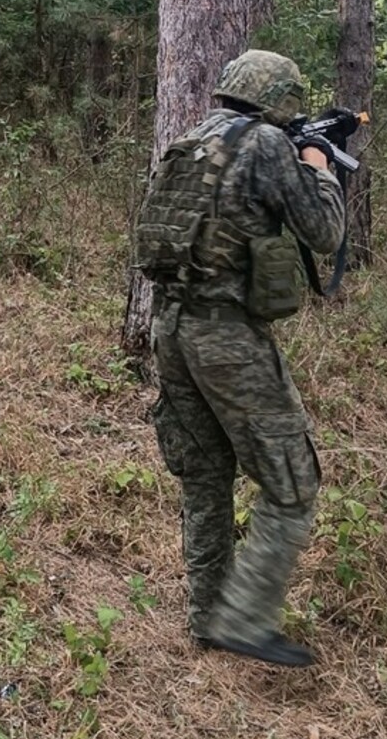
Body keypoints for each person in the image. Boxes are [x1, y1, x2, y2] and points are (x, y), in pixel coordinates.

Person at [145, 50, 345, 668]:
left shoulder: (194, 140)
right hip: (225, 338)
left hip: (170, 328)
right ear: (280, 100)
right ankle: (245, 619)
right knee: (293, 481)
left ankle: (207, 616)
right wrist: (320, 163)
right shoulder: (265, 146)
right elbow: (325, 231)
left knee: (206, 475)